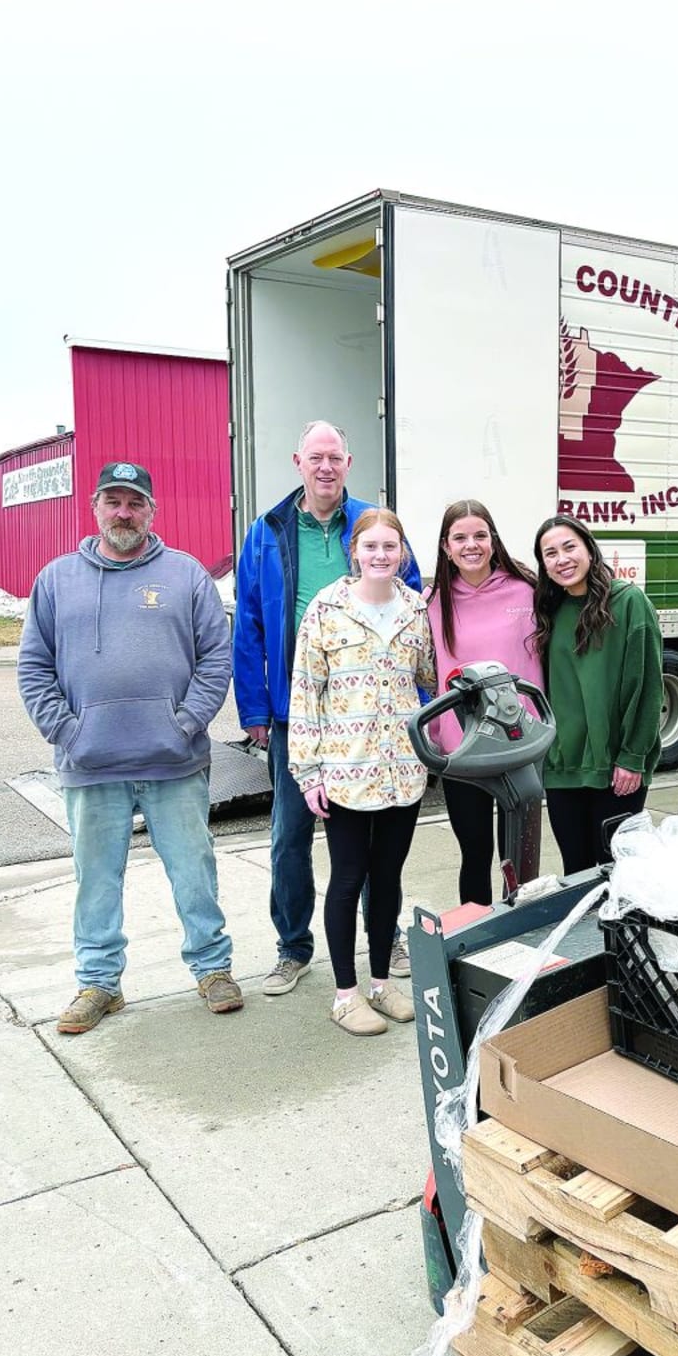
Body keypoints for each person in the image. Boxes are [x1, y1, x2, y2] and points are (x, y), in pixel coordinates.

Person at [18, 462, 241, 1033]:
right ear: (94, 506)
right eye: (113, 501)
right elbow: (34, 667)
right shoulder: (56, 579)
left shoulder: (185, 576)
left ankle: (212, 968)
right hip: (90, 767)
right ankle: (98, 983)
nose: (124, 512)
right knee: (96, 879)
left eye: (135, 502)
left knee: (194, 871)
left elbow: (217, 658)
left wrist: (186, 723)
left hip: (174, 762)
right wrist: (70, 733)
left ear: (152, 510)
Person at [233, 421, 422, 995]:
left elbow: (413, 614)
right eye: (315, 457)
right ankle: (293, 947)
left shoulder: (373, 527)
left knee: (371, 842)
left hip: (375, 722)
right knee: (291, 835)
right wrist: (255, 708)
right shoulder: (268, 530)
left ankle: (383, 938)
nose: (325, 467)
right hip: (300, 715)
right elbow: (249, 622)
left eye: (334, 457)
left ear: (348, 461)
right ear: (298, 462)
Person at [288, 508, 436, 1036]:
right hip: (346, 771)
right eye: (370, 546)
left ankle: (380, 982)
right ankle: (345, 995)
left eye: (390, 547)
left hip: (402, 770)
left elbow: (430, 680)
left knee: (389, 878)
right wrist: (308, 773)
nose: (380, 555)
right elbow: (305, 692)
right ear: (355, 550)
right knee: (348, 878)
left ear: (402, 553)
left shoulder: (416, 609)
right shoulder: (326, 610)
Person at [425, 499, 543, 906]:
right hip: (464, 751)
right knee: (475, 854)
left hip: (519, 745)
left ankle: (521, 932)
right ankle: (477, 940)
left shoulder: (527, 590)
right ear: (445, 546)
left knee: (520, 858)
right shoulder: (432, 601)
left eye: (479, 535)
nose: (470, 545)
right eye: (460, 537)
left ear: (493, 540)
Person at [532, 514, 664, 874]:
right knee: (575, 875)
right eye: (550, 553)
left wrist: (633, 756)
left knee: (616, 874)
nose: (562, 559)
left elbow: (649, 684)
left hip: (616, 768)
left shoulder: (630, 602)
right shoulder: (549, 611)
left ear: (589, 548)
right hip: (563, 767)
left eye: (569, 546)